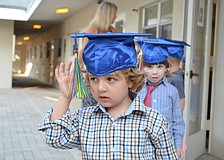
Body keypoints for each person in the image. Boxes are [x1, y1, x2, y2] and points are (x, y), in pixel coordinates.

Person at [38, 33, 178, 159]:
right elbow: (54, 138)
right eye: (94, 79)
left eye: (110, 79)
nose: (101, 88)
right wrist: (65, 97)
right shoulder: (84, 119)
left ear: (130, 80)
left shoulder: (153, 121)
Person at [136, 38, 185, 159]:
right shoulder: (136, 90)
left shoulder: (172, 91)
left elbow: (177, 121)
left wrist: (178, 145)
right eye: (150, 67)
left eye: (159, 67)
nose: (154, 72)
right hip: (140, 145)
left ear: (166, 67)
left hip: (165, 146)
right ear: (143, 67)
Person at [78, 1, 118, 107]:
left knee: (108, 104)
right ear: (107, 14)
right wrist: (77, 68)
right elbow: (84, 50)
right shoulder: (93, 29)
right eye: (114, 13)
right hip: (94, 72)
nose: (116, 16)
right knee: (91, 104)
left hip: (110, 72)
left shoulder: (112, 30)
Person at [161, 38, 190, 112]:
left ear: (168, 59)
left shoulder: (177, 79)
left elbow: (181, 100)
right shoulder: (168, 75)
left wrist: (177, 117)